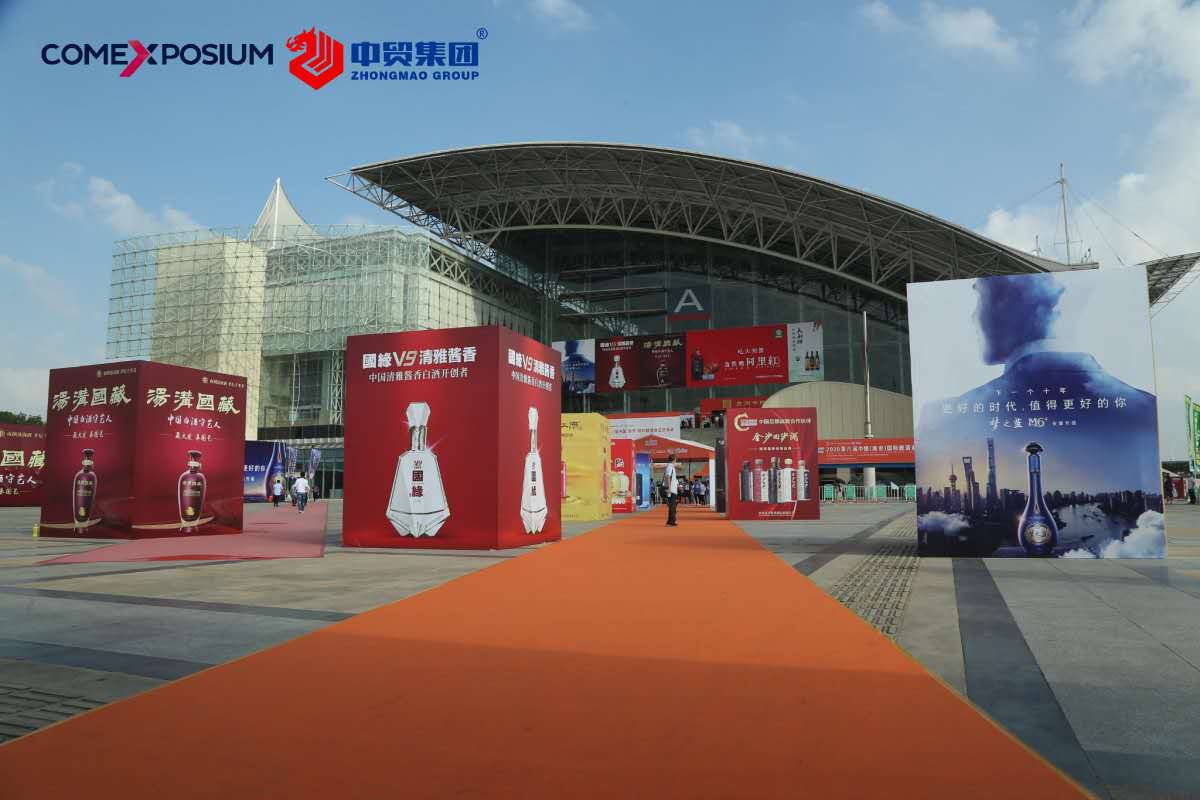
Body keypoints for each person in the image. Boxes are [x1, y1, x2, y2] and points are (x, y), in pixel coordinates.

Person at [664, 455, 679, 527]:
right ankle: (671, 522)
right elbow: (668, 476)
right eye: (676, 459)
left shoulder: (671, 466)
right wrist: (669, 488)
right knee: (672, 506)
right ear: (674, 460)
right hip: (671, 489)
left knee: (672, 506)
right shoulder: (670, 467)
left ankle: (670, 521)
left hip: (673, 489)